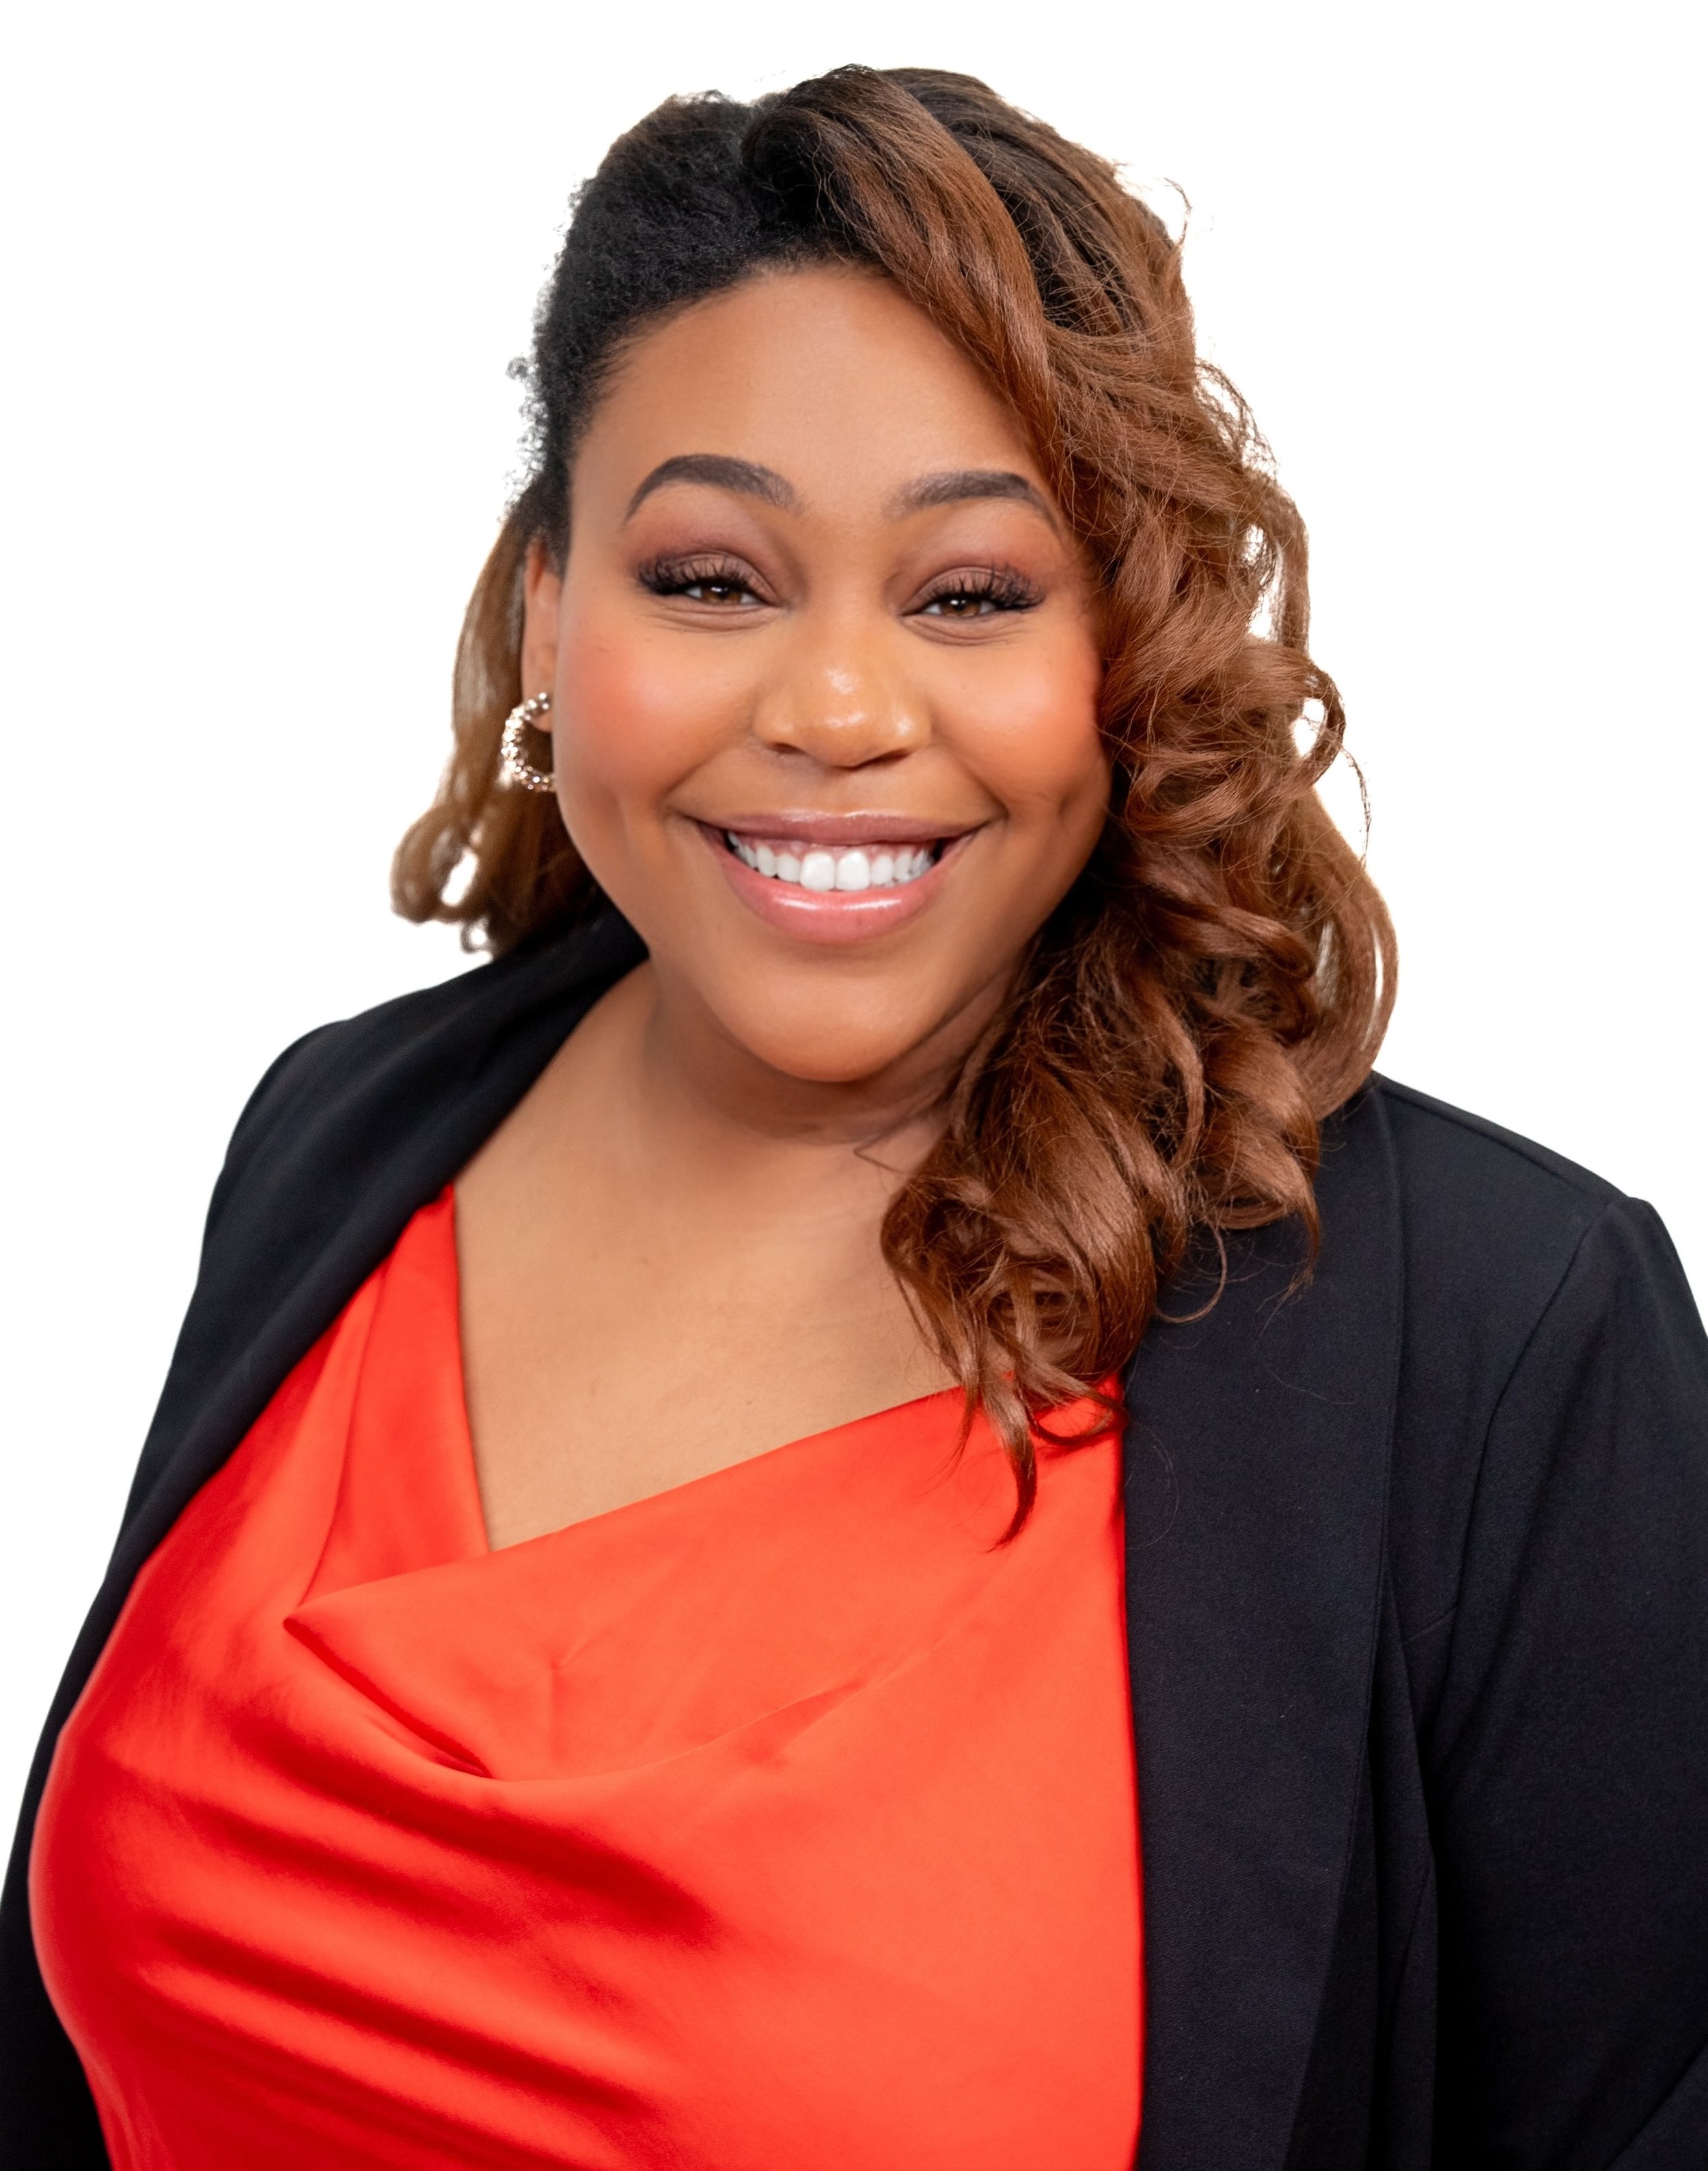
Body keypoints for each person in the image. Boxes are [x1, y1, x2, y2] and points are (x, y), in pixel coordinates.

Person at [5, 63, 1705, 2171]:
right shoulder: (340, 1135)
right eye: (712, 578)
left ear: (1130, 646)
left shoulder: (1503, 1336)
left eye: (969, 591)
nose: (832, 707)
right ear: (547, 610)